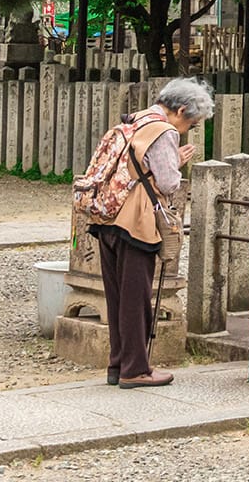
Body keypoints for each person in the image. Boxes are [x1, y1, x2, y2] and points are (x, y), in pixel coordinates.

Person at [87, 77, 213, 388]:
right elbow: (169, 182)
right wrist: (177, 162)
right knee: (136, 297)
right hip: (136, 220)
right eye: (191, 123)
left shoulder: (135, 119)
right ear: (180, 110)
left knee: (116, 296)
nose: (187, 130)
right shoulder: (164, 130)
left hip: (106, 215)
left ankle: (117, 364)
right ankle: (135, 369)